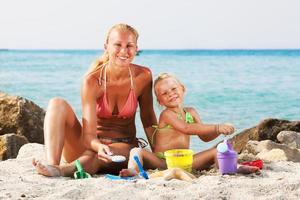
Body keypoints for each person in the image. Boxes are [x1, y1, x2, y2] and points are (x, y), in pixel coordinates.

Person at [32, 23, 157, 177]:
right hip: (88, 145)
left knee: (94, 157)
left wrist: (159, 154)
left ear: (136, 48)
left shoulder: (143, 76)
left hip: (123, 147)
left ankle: (62, 171)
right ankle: (53, 165)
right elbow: (88, 136)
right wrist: (98, 146)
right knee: (56, 104)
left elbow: (148, 119)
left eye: (129, 45)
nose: (124, 51)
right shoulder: (92, 81)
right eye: (117, 44)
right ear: (106, 47)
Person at [120, 73, 257, 177]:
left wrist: (219, 132)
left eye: (174, 89)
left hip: (186, 161)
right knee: (135, 151)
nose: (171, 94)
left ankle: (232, 168)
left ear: (183, 89)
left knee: (217, 151)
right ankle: (133, 170)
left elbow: (204, 137)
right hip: (163, 162)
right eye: (165, 93)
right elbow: (186, 128)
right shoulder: (166, 115)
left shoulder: (191, 112)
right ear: (160, 101)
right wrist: (217, 126)